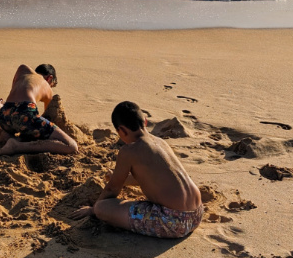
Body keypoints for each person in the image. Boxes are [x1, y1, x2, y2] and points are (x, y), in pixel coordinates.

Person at [73, 100, 203, 238]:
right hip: (197, 213)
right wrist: (124, 180)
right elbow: (150, 177)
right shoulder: (160, 142)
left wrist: (93, 210)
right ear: (145, 121)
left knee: (102, 208)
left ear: (121, 130)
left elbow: (112, 189)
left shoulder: (129, 150)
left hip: (174, 222)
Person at [0, 64, 78, 155]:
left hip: (3, 115)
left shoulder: (22, 69)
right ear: (49, 78)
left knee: (21, 123)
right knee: (71, 146)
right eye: (52, 85)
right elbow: (49, 116)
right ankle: (16, 146)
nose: (51, 87)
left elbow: (15, 89)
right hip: (25, 114)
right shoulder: (47, 87)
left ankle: (8, 135)